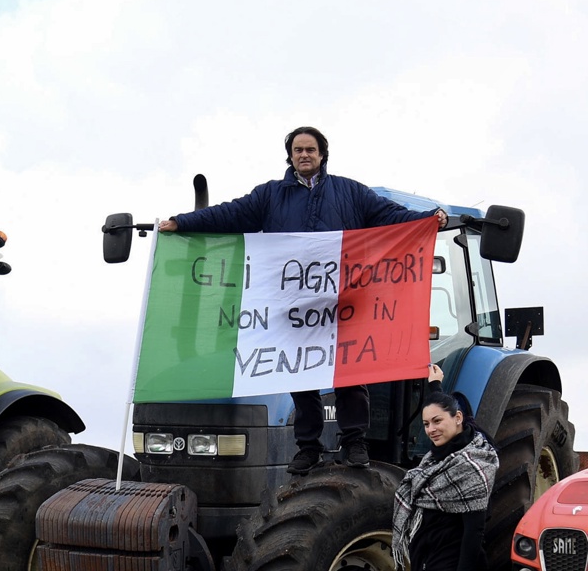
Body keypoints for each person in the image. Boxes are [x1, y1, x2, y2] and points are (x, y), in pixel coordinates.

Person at [158, 126, 447, 474]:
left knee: (350, 375)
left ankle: (354, 442)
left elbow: (389, 215)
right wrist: (182, 222)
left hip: (345, 302)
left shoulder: (351, 193)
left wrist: (428, 219)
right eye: (298, 150)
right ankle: (308, 447)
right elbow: (229, 214)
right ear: (290, 155)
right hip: (294, 305)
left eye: (311, 149)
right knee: (299, 377)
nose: (304, 155)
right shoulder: (270, 196)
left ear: (322, 154)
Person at [391, 363, 498, 571]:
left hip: (451, 560)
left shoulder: (472, 467)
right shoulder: (435, 460)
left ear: (458, 418)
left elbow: (473, 533)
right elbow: (444, 409)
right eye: (426, 424)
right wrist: (435, 386)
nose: (431, 429)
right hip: (427, 556)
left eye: (436, 421)